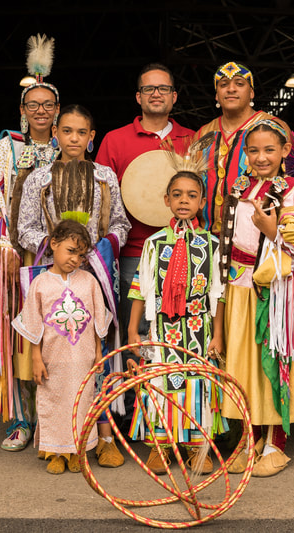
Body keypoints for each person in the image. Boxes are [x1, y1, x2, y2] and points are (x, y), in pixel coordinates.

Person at [16, 103, 130, 467]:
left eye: (82, 132)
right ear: (56, 133)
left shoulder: (105, 177)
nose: (74, 138)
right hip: (52, 280)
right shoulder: (38, 179)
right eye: (67, 131)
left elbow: (121, 224)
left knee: (101, 358)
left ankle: (105, 436)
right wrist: (58, 248)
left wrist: (98, 249)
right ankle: (56, 440)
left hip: (95, 276)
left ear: (92, 137)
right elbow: (25, 227)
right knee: (55, 362)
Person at [219, 119, 294, 477]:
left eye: (269, 150)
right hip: (240, 286)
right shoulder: (239, 188)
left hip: (279, 292)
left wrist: (272, 230)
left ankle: (277, 442)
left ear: (284, 152)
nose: (261, 157)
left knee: (276, 362)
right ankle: (250, 438)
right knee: (244, 365)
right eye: (253, 150)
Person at [0, 34, 61, 452]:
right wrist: (3, 246)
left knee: (59, 334)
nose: (41, 111)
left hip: (60, 256)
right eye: (33, 105)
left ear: (57, 110)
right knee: (19, 334)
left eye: (48, 105)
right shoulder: (7, 146)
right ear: (23, 111)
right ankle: (22, 419)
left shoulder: (69, 147)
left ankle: (57, 418)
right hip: (15, 254)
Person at [95, 63, 194, 380]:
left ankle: (171, 403)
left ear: (174, 96)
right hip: (133, 252)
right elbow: (101, 199)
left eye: (163, 88)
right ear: (138, 97)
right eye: (149, 89)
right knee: (134, 330)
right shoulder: (115, 140)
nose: (156, 94)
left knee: (177, 326)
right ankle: (136, 409)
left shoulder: (193, 140)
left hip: (184, 249)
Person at [126, 167, 226, 475]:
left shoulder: (211, 244)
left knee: (197, 384)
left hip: (198, 330)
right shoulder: (154, 243)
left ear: (202, 202)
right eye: (178, 195)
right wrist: (132, 329)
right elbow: (140, 286)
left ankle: (198, 445)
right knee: (162, 380)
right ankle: (162, 445)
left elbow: (218, 294)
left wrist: (218, 334)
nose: (184, 201)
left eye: (192, 195)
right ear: (167, 199)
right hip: (163, 330)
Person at [12, 219, 112, 474]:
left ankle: (77, 450)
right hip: (53, 359)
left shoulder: (88, 281)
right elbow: (34, 326)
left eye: (80, 255)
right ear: (53, 244)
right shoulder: (40, 284)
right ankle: (55, 451)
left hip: (83, 358)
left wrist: (99, 352)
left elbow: (98, 319)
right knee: (54, 400)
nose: (75, 259)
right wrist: (36, 358)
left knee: (82, 401)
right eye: (70, 251)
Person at [195, 62, 290, 234]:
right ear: (216, 95)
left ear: (252, 92)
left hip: (254, 238)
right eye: (223, 85)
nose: (231, 89)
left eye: (239, 84)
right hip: (206, 237)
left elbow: (286, 183)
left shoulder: (274, 127)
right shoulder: (202, 134)